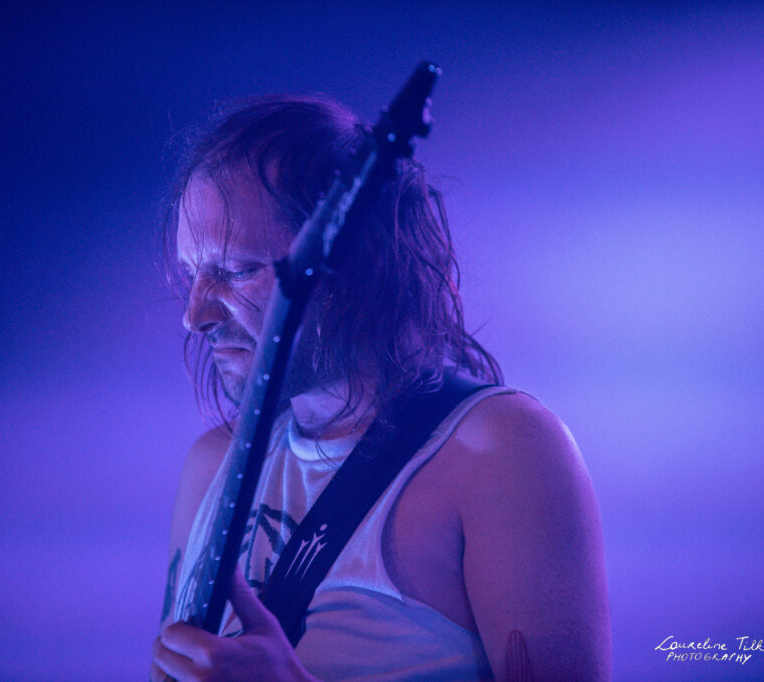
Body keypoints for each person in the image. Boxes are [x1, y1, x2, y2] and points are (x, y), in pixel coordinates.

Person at [150, 94, 611, 681]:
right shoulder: (210, 466)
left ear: (358, 263)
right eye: (192, 275)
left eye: (237, 270)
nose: (195, 315)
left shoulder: (500, 451)